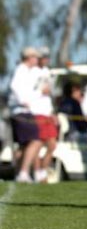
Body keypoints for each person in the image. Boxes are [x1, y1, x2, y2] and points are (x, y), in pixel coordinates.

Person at [8, 47, 44, 183]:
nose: (37, 59)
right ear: (29, 57)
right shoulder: (21, 69)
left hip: (23, 111)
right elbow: (14, 86)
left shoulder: (28, 71)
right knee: (35, 140)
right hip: (20, 111)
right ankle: (23, 172)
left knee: (24, 145)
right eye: (35, 57)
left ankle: (18, 172)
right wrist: (22, 101)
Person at [31, 47, 59, 183]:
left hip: (47, 113)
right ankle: (38, 173)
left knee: (52, 144)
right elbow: (30, 93)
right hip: (37, 112)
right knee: (37, 144)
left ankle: (43, 170)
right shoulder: (33, 72)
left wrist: (52, 112)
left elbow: (50, 95)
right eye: (44, 57)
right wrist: (41, 91)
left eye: (48, 57)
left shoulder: (47, 72)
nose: (46, 59)